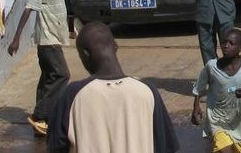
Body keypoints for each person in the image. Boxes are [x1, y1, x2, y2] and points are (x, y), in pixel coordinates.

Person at [48, 22, 179, 153]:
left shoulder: (71, 95)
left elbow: (56, 147)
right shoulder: (147, 92)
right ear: (115, 45)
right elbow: (165, 147)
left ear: (85, 53)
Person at [7, 0, 72, 137]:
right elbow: (28, 8)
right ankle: (39, 115)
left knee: (48, 78)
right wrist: (16, 39)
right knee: (62, 74)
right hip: (47, 39)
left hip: (54, 38)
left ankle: (44, 120)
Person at [192, 28, 241, 153]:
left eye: (231, 43)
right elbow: (199, 87)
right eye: (224, 42)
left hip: (239, 120)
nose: (226, 46)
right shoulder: (212, 66)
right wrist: (196, 108)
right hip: (217, 118)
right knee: (225, 149)